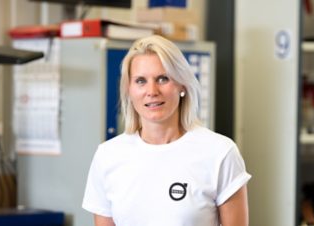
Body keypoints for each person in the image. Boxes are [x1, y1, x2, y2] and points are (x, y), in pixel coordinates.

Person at [82, 35, 251, 226]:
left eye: (163, 79)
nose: (152, 91)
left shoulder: (220, 153)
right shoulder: (108, 156)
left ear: (182, 85)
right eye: (140, 81)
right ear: (129, 90)